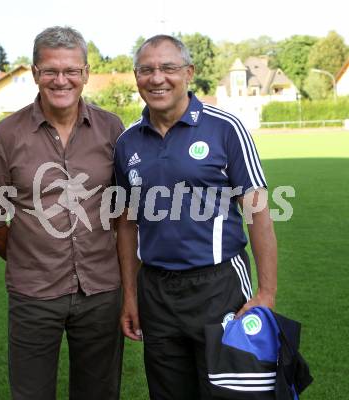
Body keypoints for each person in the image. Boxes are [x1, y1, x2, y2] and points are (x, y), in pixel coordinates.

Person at [114, 35, 277, 400]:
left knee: (230, 393)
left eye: (168, 68)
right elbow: (126, 224)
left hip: (218, 286)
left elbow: (258, 212)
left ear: (189, 72)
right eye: (146, 69)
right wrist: (130, 295)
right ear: (136, 77)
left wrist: (266, 292)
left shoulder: (225, 128)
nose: (157, 78)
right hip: (155, 291)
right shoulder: (127, 143)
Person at [0, 26, 124, 400]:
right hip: (33, 295)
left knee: (99, 393)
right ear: (36, 73)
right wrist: (28, 256)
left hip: (102, 293)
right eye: (51, 70)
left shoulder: (112, 129)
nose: (62, 80)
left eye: (72, 70)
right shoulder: (6, 135)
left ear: (86, 73)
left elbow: (125, 212)